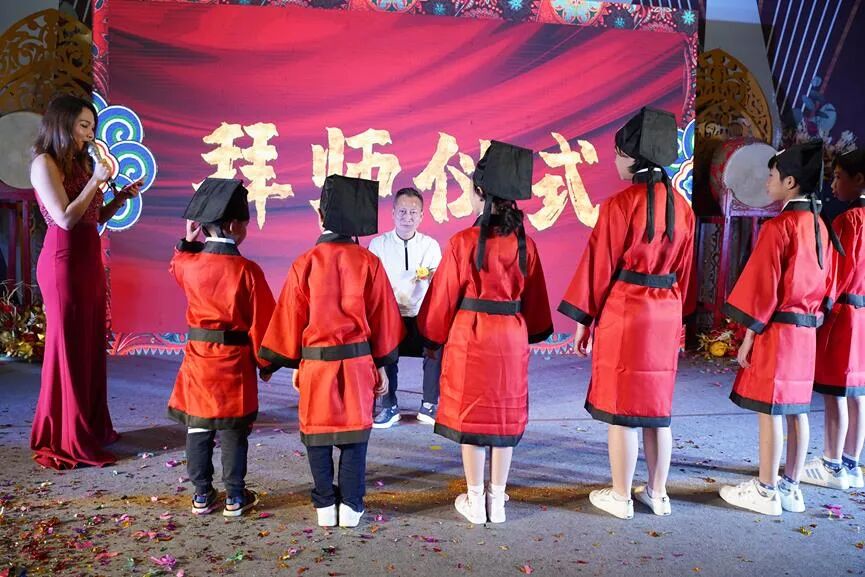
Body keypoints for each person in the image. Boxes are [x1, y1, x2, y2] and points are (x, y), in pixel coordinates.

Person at [558, 107, 695, 519]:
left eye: (618, 153)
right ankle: (658, 493)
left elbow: (598, 266)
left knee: (622, 409)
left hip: (626, 311)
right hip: (666, 311)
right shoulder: (683, 208)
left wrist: (583, 321)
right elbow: (685, 274)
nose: (615, 160)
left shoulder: (619, 205)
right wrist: (678, 317)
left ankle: (620, 496)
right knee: (657, 409)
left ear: (633, 157)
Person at [417, 141, 553, 524]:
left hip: (471, 336)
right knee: (503, 417)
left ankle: (475, 500)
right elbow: (536, 304)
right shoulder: (526, 246)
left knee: (473, 417)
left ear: (480, 192)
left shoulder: (461, 243)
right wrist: (529, 330)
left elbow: (442, 300)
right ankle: (498, 499)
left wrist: (431, 337)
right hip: (510, 336)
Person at [260, 175, 404, 528]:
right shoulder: (368, 262)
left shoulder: (305, 262)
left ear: (320, 217)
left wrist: (296, 362)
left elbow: (291, 319)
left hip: (317, 364)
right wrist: (381, 366)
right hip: (358, 365)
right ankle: (352, 505)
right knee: (354, 435)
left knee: (318, 434)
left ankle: (325, 504)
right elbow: (384, 319)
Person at [719, 141, 839, 515]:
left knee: (770, 410)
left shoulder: (780, 226)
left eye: (771, 175)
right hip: (805, 333)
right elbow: (830, 285)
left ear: (789, 182)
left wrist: (747, 338)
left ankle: (766, 489)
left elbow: (763, 289)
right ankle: (790, 488)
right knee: (797, 410)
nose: (766, 181)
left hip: (778, 333)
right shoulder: (820, 225)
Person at [29, 94, 142, 469]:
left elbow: (93, 216)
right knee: (68, 346)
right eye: (83, 126)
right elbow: (64, 218)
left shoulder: (79, 162)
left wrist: (119, 198)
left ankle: (90, 425)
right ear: (62, 124)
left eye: (92, 127)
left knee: (89, 344)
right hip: (62, 262)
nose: (90, 133)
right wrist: (96, 179)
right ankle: (65, 433)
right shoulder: (44, 163)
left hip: (88, 259)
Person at [168, 178, 276, 517]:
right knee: (233, 430)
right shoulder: (247, 270)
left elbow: (176, 265)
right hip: (234, 361)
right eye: (244, 223)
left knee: (198, 425)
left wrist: (188, 240)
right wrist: (266, 363)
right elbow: (263, 321)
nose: (246, 229)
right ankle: (235, 497)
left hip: (198, 360)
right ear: (232, 226)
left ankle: (201, 495)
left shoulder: (189, 265)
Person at [801, 149, 865, 491]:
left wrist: (819, 309)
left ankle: (831, 463)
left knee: (836, 393)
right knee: (858, 392)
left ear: (859, 180)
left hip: (845, 316)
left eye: (839, 177)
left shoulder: (849, 221)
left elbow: (835, 275)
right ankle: (851, 462)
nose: (834, 185)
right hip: (864, 314)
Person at [368, 187, 442, 428]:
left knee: (436, 343)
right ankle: (389, 406)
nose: (407, 217)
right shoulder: (378, 245)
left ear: (421, 216)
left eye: (413, 212)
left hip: (421, 313)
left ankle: (429, 404)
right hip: (390, 315)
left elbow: (439, 281)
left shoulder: (430, 246)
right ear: (392, 213)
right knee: (384, 349)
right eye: (402, 211)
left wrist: (430, 275)